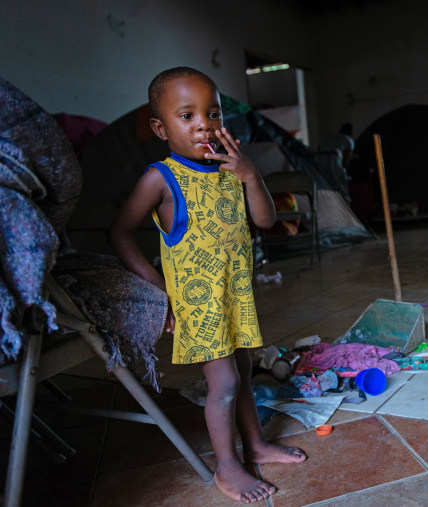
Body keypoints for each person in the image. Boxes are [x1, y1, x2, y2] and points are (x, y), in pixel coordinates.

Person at [109, 67, 306, 503]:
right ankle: (228, 466)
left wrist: (251, 175)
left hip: (235, 297)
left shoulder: (232, 169)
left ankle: (255, 444)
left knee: (245, 374)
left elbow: (266, 220)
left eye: (213, 112)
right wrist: (157, 290)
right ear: (161, 128)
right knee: (224, 385)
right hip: (198, 305)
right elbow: (120, 231)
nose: (204, 123)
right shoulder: (161, 178)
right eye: (187, 115)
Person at [316, 122, 354, 202]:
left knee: (324, 185)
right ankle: (344, 206)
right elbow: (346, 159)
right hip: (333, 159)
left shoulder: (328, 138)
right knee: (340, 186)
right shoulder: (348, 140)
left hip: (318, 160)